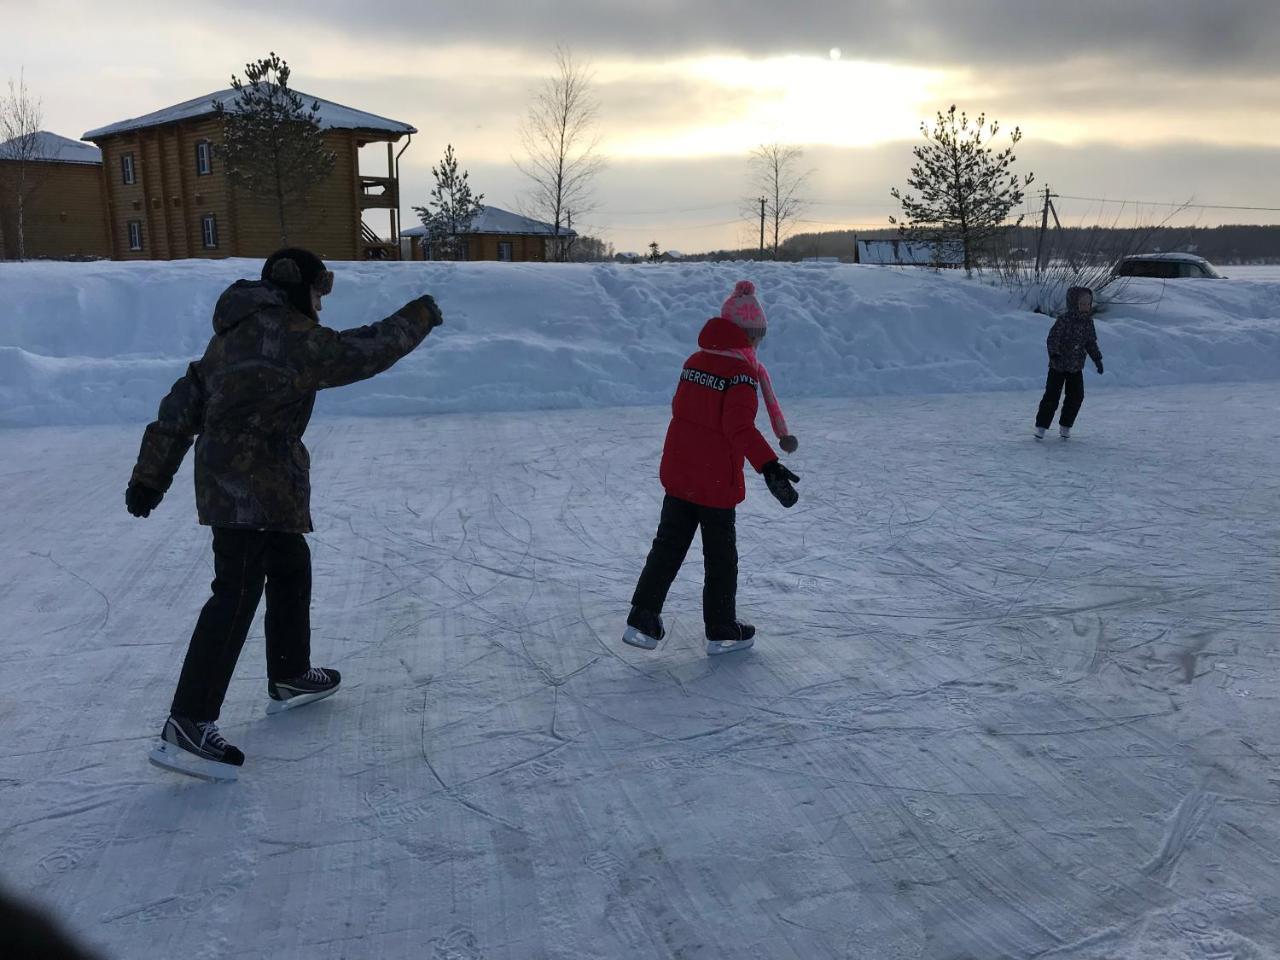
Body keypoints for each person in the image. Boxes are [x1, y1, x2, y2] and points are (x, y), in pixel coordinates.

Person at [126, 248, 443, 781]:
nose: (321, 302)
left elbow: (182, 404)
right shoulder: (284, 333)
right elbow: (356, 353)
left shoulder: (233, 332)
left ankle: (290, 674)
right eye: (319, 289)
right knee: (237, 591)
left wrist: (149, 478)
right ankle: (188, 722)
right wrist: (419, 316)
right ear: (298, 285)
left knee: (290, 565)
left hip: (259, 484)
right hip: (248, 485)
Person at [625, 280, 800, 657]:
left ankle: (642, 616)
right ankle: (721, 626)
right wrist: (769, 466)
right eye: (757, 337)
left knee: (668, 545)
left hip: (680, 470)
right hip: (715, 478)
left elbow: (684, 412)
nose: (757, 346)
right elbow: (738, 427)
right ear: (747, 335)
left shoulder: (695, 361)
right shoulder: (740, 374)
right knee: (721, 555)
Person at [1035, 285, 1104, 441]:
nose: (1086, 306)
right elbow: (1053, 338)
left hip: (1075, 367)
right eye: (1083, 303)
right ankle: (1041, 427)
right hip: (1058, 366)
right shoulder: (1064, 320)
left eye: (1088, 303)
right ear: (1074, 303)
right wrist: (1054, 354)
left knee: (1076, 396)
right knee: (1052, 397)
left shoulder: (1088, 322)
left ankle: (1065, 426)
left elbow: (1090, 343)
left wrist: (1097, 359)